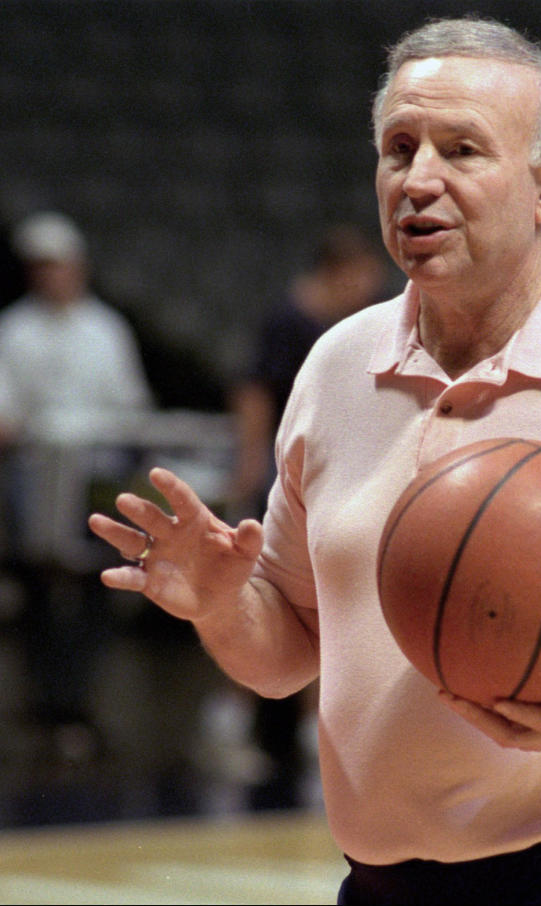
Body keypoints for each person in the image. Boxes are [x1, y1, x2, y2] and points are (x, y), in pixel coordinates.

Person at [89, 17, 541, 905]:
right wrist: (223, 604)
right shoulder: (335, 366)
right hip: (379, 885)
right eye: (399, 148)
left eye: (461, 149)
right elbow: (285, 657)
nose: (417, 180)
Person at [0, 211, 153, 761]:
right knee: (41, 590)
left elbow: (132, 409)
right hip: (37, 475)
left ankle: (79, 705)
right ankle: (46, 705)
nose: (51, 276)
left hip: (94, 473)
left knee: (102, 585)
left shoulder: (106, 330)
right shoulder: (12, 331)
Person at [228, 223, 387, 810]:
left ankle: (302, 727)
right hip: (284, 471)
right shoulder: (289, 319)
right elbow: (253, 393)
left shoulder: (351, 326)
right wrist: (250, 463)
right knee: (268, 594)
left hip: (332, 471)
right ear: (338, 270)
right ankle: (240, 723)